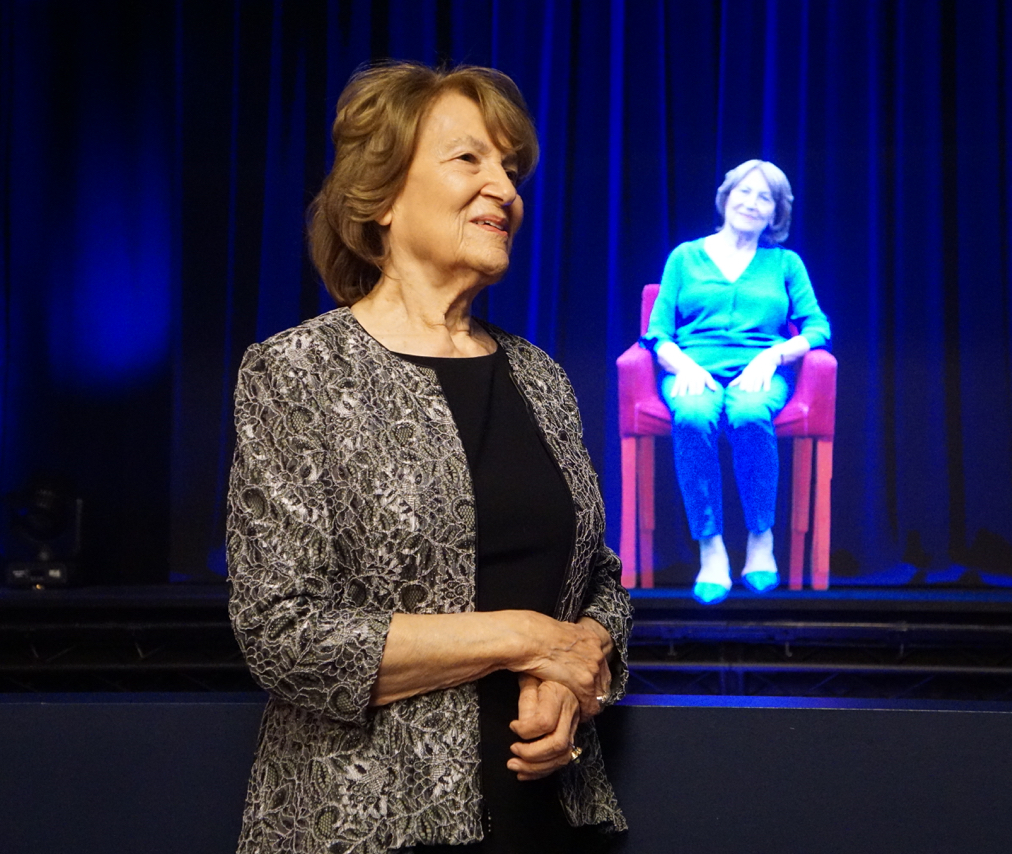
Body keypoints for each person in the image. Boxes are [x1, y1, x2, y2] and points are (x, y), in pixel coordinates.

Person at [226, 61, 630, 854]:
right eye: (469, 159)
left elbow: (601, 586)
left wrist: (570, 677)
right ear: (378, 196)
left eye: (511, 170)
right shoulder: (294, 373)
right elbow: (282, 635)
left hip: (544, 819)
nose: (505, 190)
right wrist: (526, 638)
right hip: (361, 826)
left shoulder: (539, 376)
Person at [641, 159, 830, 604]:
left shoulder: (785, 263)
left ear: (775, 213)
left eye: (764, 197)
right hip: (695, 366)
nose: (751, 202)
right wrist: (683, 366)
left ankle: (761, 539)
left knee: (747, 414)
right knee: (691, 415)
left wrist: (775, 354)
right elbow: (656, 332)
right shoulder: (685, 257)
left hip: (758, 368)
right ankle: (711, 548)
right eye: (744, 191)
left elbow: (817, 327)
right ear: (726, 197)